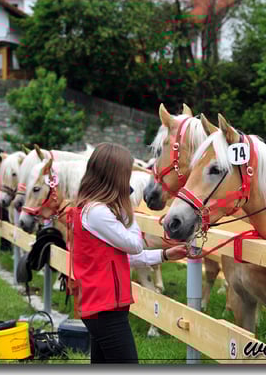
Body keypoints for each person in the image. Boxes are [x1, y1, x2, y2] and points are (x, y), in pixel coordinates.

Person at [68, 142, 187, 364]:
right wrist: (127, 207)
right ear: (116, 176)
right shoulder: (97, 212)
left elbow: (123, 257)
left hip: (102, 307)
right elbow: (135, 244)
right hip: (105, 310)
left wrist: (165, 255)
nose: (129, 179)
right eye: (127, 173)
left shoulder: (92, 209)